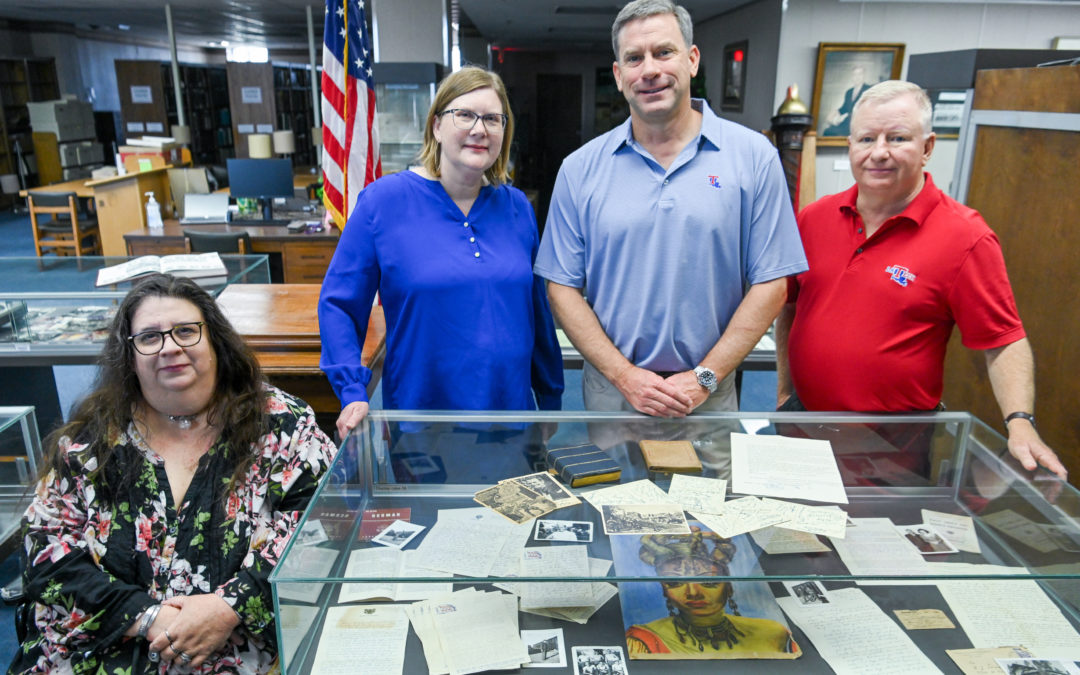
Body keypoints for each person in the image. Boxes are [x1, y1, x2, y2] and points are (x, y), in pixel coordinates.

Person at [9, 274, 336, 674]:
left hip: (233, 651)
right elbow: (45, 551)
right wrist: (147, 617)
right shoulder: (92, 438)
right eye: (149, 337)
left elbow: (325, 527)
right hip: (100, 650)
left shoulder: (282, 425)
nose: (170, 347)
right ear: (129, 356)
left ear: (214, 340)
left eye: (186, 331)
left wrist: (228, 607)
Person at [776, 80, 1066, 479]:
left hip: (892, 446)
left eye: (897, 138)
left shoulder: (966, 237)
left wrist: (1019, 421)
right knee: (793, 534)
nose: (879, 152)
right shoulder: (814, 218)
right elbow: (790, 307)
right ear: (850, 145)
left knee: (874, 538)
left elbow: (1003, 340)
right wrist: (783, 393)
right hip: (804, 423)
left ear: (928, 147)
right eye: (866, 138)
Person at [535, 0, 807, 418]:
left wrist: (705, 378)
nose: (649, 70)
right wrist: (625, 376)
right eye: (634, 58)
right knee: (611, 486)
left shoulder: (754, 157)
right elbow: (562, 288)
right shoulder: (580, 169)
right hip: (613, 395)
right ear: (619, 75)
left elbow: (773, 283)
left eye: (664, 52)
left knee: (713, 487)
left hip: (710, 397)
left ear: (692, 60)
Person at [319, 65, 563, 438]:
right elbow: (338, 304)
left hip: (511, 416)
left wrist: (550, 400)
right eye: (464, 115)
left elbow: (537, 313)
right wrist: (352, 390)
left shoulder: (517, 208)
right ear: (436, 125)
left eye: (493, 119)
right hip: (423, 423)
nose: (479, 129)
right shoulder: (382, 203)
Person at [625, 530, 800, 656]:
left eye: (708, 581)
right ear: (664, 589)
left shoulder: (773, 633)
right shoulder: (644, 640)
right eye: (674, 582)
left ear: (728, 585)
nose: (693, 592)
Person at [822, 65, 871, 137]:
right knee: (827, 131)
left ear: (863, 76)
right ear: (852, 77)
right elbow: (844, 108)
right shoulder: (849, 92)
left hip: (860, 123)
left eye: (860, 74)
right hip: (847, 123)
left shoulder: (868, 90)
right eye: (855, 74)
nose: (857, 77)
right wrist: (834, 113)